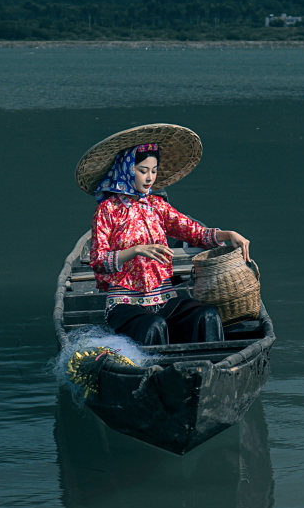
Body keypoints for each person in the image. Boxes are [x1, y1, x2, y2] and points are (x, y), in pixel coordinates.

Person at [77, 124, 250, 350]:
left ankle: (210, 369)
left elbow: (194, 232)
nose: (149, 178)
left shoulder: (158, 206)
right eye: (142, 170)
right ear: (127, 169)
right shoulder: (108, 210)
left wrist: (230, 235)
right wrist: (136, 250)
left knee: (207, 315)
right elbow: (98, 261)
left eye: (154, 170)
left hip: (164, 299)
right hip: (124, 303)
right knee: (153, 326)